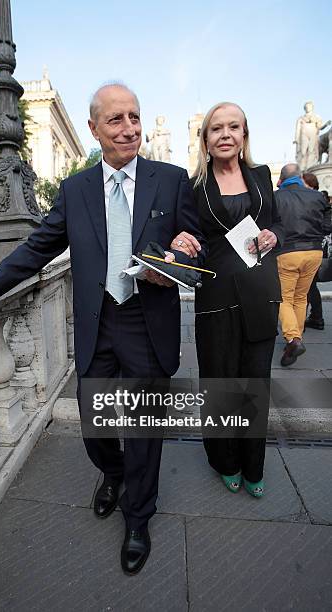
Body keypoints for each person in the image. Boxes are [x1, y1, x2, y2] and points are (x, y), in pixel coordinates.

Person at [0, 83, 204, 575]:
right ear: (94, 129)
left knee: (144, 429)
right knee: (97, 426)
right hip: (98, 323)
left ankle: (138, 517)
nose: (130, 128)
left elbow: (190, 239)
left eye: (135, 117)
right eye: (116, 120)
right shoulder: (75, 191)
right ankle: (112, 474)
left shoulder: (171, 178)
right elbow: (36, 250)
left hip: (148, 321)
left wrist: (181, 252)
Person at [170, 102, 284, 498]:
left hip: (260, 294)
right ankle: (225, 460)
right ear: (205, 139)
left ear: (244, 134)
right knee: (221, 383)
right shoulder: (194, 185)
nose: (225, 134)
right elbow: (190, 235)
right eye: (216, 128)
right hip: (216, 298)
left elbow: (277, 223)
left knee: (255, 384)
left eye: (233, 127)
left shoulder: (261, 176)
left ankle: (253, 465)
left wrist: (273, 236)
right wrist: (181, 245)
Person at [275, 163, 331, 365]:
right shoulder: (317, 196)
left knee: (284, 298)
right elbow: (328, 224)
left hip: (287, 252)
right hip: (314, 252)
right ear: (299, 177)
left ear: (281, 180)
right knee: (300, 297)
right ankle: (295, 340)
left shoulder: (276, 197)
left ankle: (293, 339)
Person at [302, 175, 328, 330]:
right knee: (310, 285)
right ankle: (316, 317)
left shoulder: (315, 199)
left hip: (312, 246)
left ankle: (313, 318)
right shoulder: (317, 198)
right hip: (315, 246)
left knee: (306, 287)